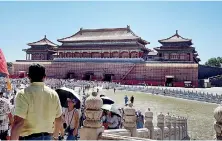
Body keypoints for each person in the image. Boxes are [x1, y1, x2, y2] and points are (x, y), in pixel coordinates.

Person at [11, 64, 63, 140]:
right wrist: (55, 136)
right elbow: (58, 119)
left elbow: (18, 122)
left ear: (28, 76)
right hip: (48, 137)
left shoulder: (23, 94)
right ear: (44, 77)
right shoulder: (53, 94)